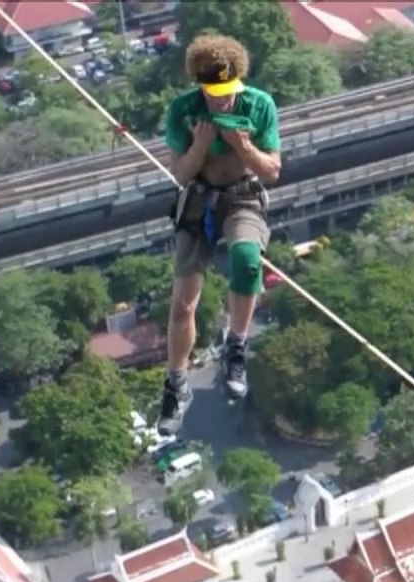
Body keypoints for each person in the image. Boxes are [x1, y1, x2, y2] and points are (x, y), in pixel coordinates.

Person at [157, 34, 281, 435]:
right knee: (184, 304)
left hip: (242, 195)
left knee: (247, 261)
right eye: (215, 94)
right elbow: (178, 174)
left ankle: (236, 344)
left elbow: (271, 171)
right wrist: (202, 143)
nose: (224, 101)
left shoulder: (257, 105)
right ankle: (176, 383)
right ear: (200, 86)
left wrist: (241, 146)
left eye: (229, 93)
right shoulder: (184, 110)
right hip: (197, 197)